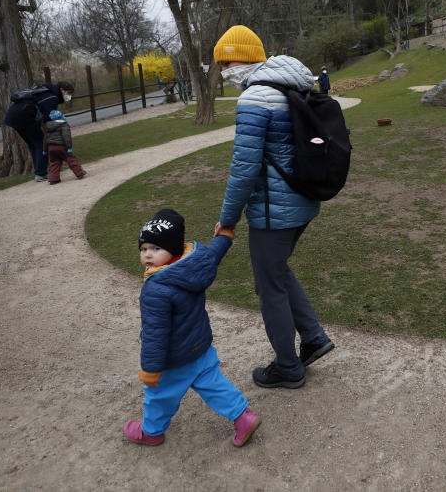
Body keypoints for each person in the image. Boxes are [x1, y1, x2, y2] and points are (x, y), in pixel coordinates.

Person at [214, 25, 335, 390]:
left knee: (269, 286)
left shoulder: (254, 98)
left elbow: (244, 168)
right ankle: (313, 337)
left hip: (273, 211)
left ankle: (287, 366)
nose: (224, 70)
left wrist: (227, 220)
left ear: (246, 58)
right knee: (277, 272)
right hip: (302, 199)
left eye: (227, 61)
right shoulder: (292, 83)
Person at [124, 208, 261, 448]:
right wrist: (225, 235)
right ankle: (243, 417)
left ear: (173, 250)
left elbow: (156, 334)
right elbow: (213, 254)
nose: (148, 255)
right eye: (144, 249)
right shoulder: (195, 261)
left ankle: (152, 432)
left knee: (158, 396)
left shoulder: (155, 289)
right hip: (199, 345)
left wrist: (151, 369)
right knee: (213, 383)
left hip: (174, 359)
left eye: (156, 249)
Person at [3, 81, 74, 182]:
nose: (69, 96)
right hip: (24, 117)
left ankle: (39, 171)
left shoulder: (45, 91)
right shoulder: (52, 97)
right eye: (69, 93)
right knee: (40, 144)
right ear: (62, 90)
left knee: (33, 144)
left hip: (14, 117)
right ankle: (41, 173)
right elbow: (48, 117)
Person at [42, 110, 86, 185]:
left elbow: (45, 139)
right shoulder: (64, 125)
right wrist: (69, 147)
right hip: (61, 146)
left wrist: (45, 150)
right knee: (70, 159)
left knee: (54, 162)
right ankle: (79, 173)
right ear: (61, 116)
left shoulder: (48, 126)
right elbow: (66, 137)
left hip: (51, 147)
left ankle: (53, 179)